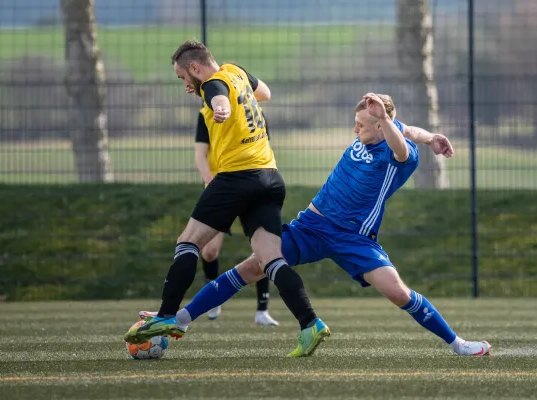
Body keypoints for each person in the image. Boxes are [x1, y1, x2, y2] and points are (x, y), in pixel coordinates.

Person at [165, 93, 491, 357]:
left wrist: (398, 126)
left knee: (397, 292)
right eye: (356, 123)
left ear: (381, 125)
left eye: (361, 124)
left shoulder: (399, 155)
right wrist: (432, 135)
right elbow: (408, 130)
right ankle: (179, 320)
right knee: (252, 267)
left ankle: (458, 344)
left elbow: (401, 143)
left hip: (353, 238)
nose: (355, 130)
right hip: (311, 227)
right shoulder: (377, 133)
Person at [124, 40, 330, 357]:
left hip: (237, 176)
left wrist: (221, 107)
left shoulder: (213, 83)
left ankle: (166, 316)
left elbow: (218, 94)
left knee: (188, 242)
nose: (185, 86)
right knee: (271, 260)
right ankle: (310, 323)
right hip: (270, 177)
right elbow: (266, 94)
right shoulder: (236, 72)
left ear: (195, 68)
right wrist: (237, 101)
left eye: (183, 78)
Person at [194, 107, 278, 326]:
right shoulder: (208, 113)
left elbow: (264, 148)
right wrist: (210, 184)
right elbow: (200, 154)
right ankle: (213, 298)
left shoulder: (254, 111)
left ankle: (262, 310)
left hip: (252, 186)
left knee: (263, 250)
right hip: (223, 189)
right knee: (210, 251)